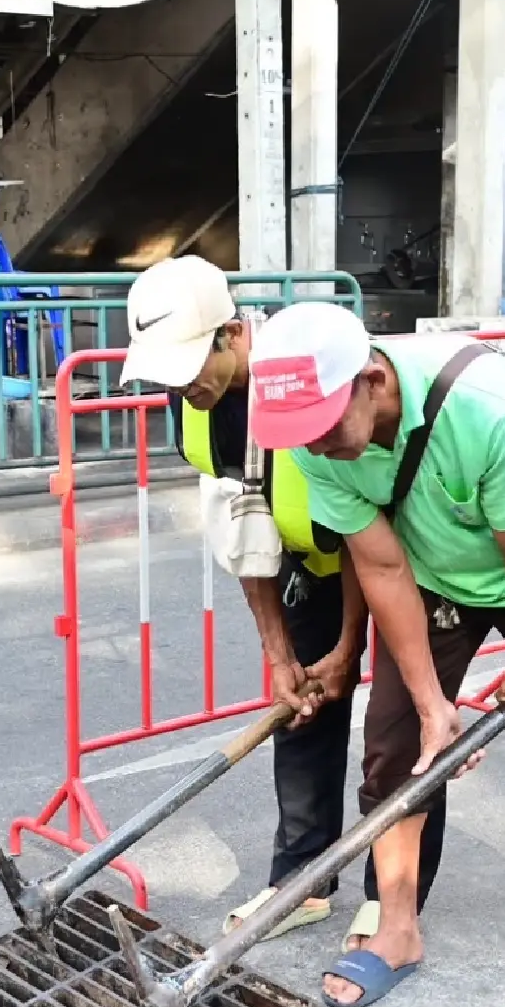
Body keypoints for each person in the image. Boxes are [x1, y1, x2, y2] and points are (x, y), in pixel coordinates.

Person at [248, 301, 505, 1007]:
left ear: (373, 380)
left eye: (323, 431)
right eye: (301, 439)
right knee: (394, 743)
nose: (315, 451)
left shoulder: (484, 406)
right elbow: (380, 568)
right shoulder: (312, 444)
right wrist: (433, 705)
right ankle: (397, 929)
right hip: (440, 569)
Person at [120, 257, 450, 941]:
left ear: (233, 334)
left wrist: (348, 646)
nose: (182, 385)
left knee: (398, 728)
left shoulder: (306, 378)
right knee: (301, 709)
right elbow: (244, 533)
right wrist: (281, 653)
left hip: (395, 559)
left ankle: (394, 896)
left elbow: (367, 533)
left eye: (189, 364)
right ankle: (301, 880)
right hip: (310, 561)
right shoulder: (202, 411)